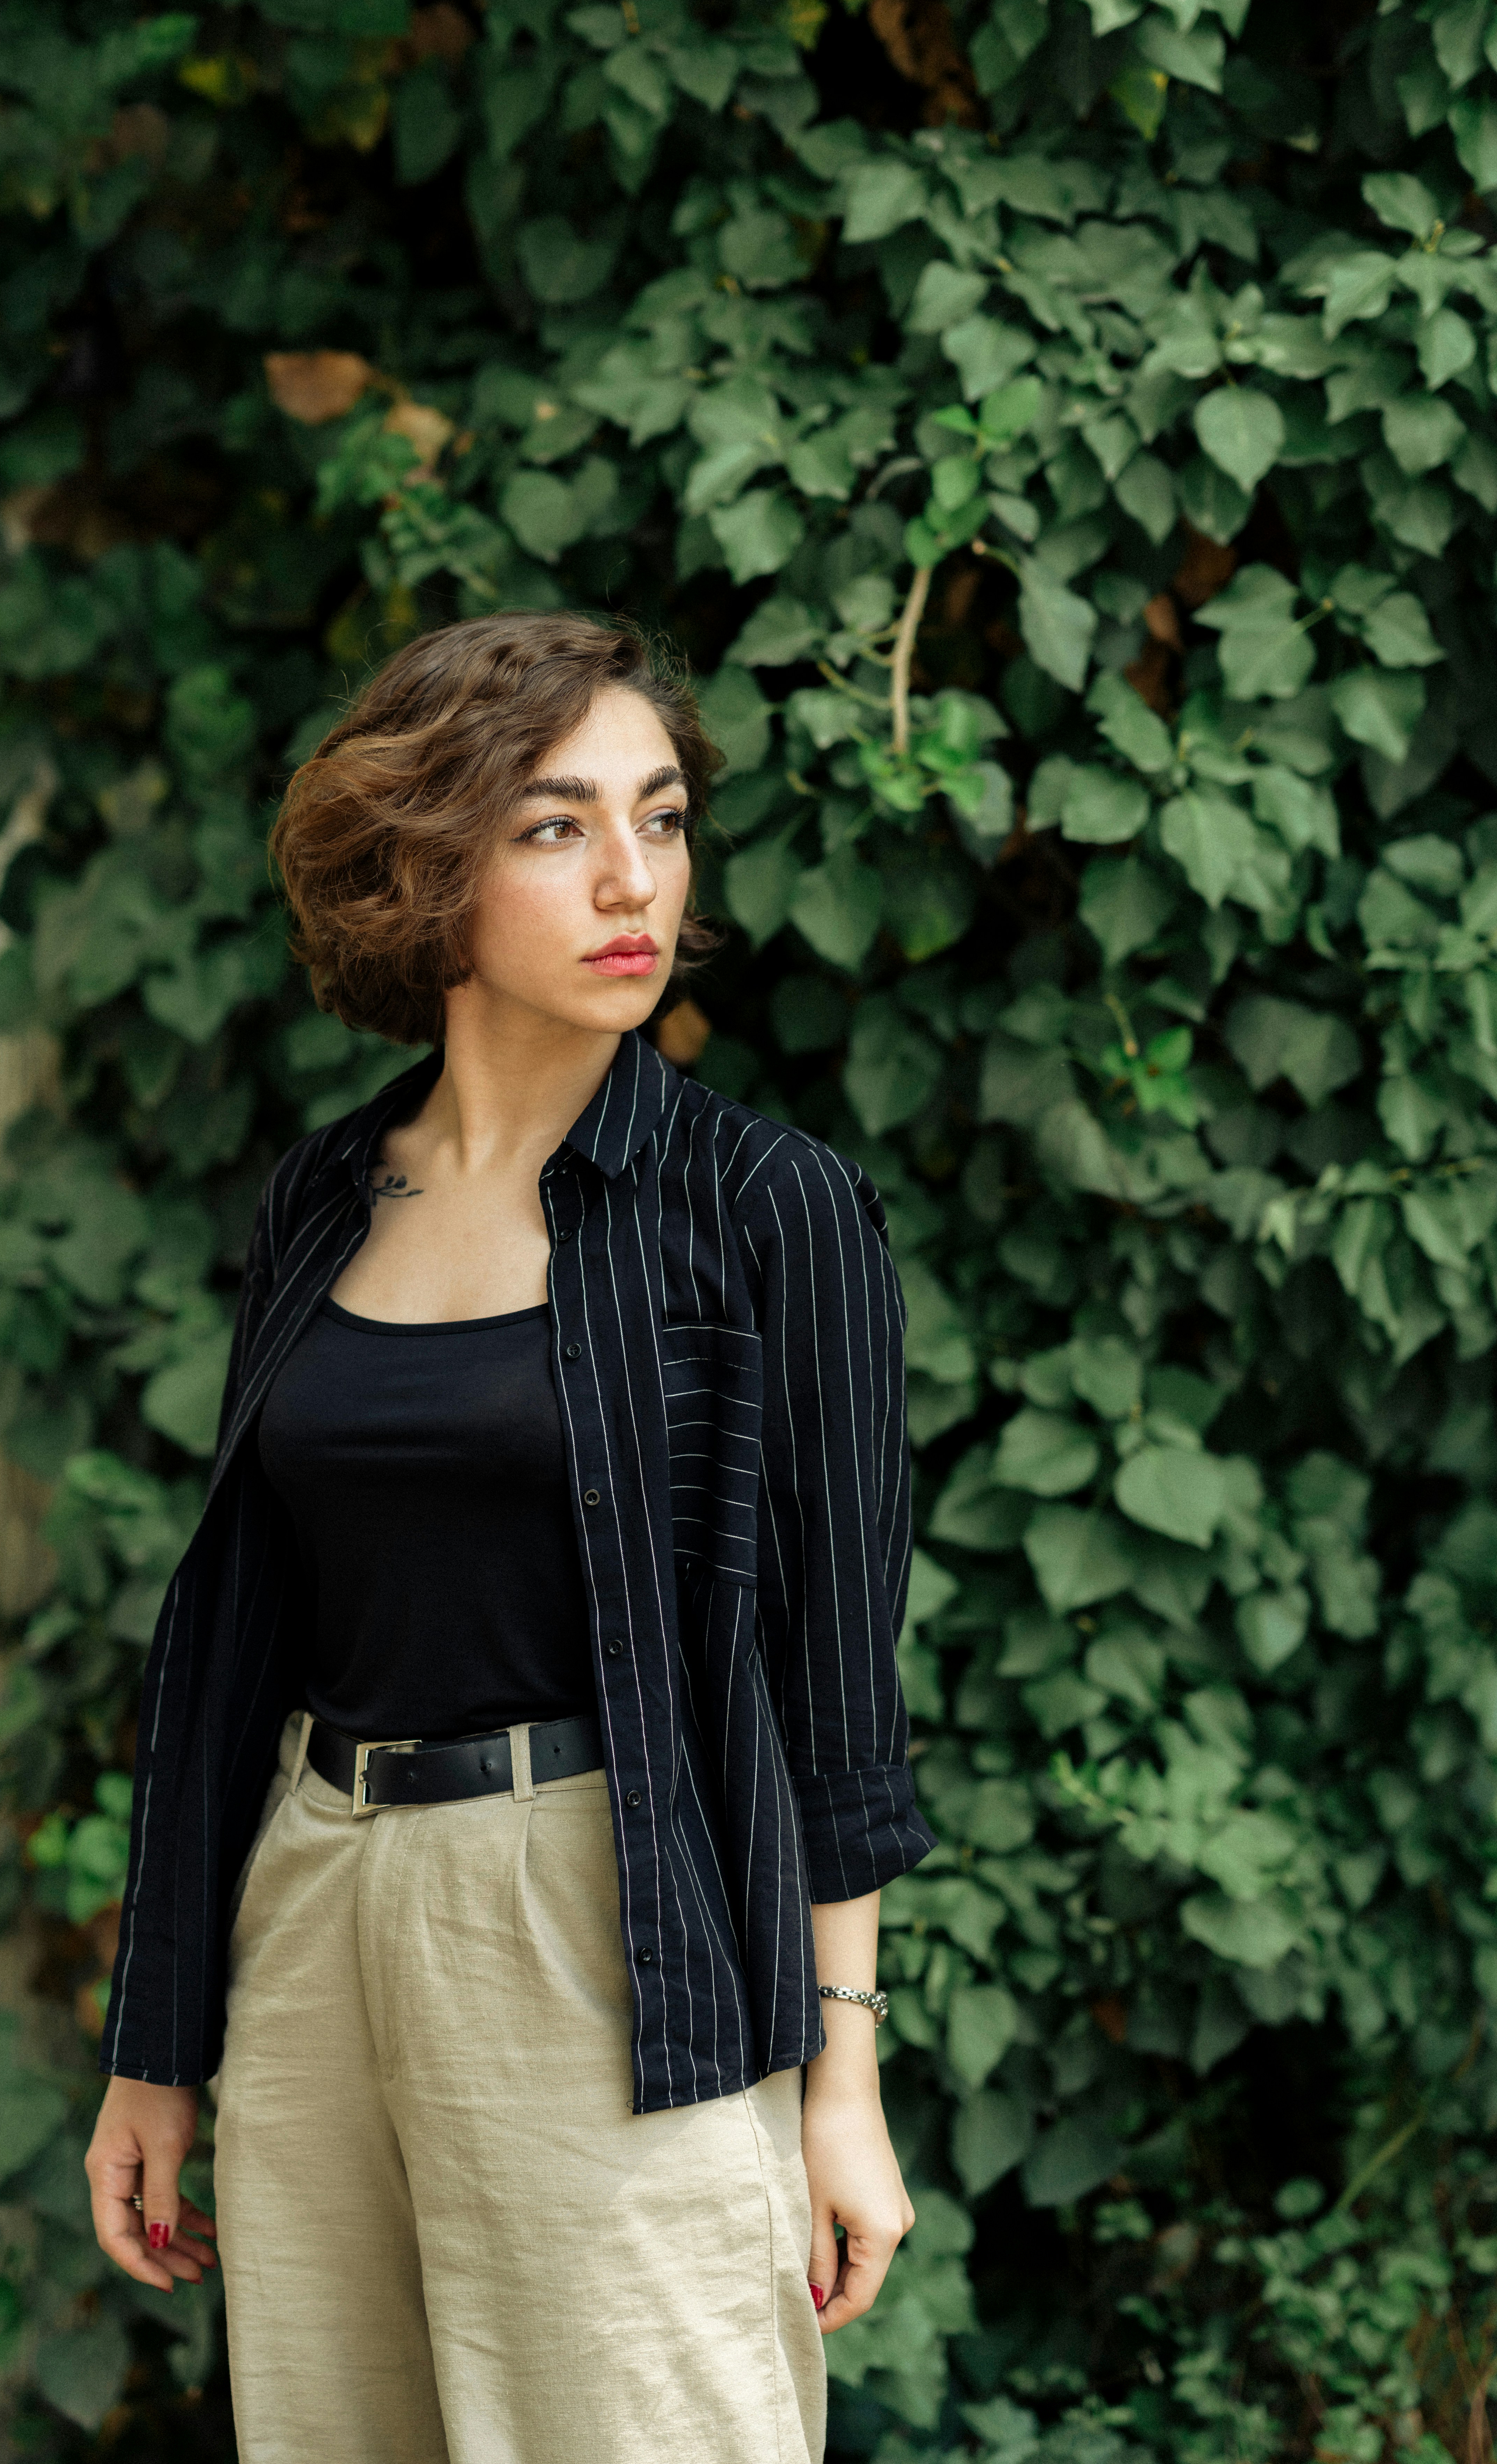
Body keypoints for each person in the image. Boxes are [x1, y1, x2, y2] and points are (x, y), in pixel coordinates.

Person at [83, 611, 934, 2463]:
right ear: (421, 866)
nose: (634, 879)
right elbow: (240, 1632)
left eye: (660, 817)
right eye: (555, 828)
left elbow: (835, 1686)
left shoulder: (766, 1210)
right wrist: (157, 2043)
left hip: (608, 1920)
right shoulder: (325, 1195)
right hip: (317, 1913)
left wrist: (840, 2081)